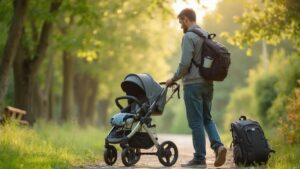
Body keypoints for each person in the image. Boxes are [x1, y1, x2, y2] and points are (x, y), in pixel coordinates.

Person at [166, 8, 227, 167]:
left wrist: (173, 79)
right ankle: (218, 146)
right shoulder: (206, 34)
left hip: (193, 85)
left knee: (196, 122)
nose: (181, 26)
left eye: (181, 22)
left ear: (186, 19)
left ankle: (199, 159)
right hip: (208, 83)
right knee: (207, 118)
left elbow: (185, 63)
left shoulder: (189, 37)